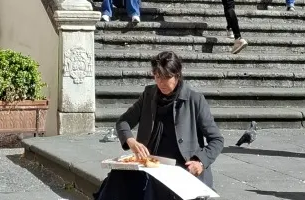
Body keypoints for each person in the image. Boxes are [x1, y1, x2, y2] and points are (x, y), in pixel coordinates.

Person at [96, 50, 224, 199]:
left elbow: (217, 140)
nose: (161, 83)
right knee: (116, 182)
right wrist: (131, 141)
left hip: (182, 168)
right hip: (151, 164)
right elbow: (123, 122)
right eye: (157, 77)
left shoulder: (195, 100)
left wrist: (200, 163)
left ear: (177, 75)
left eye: (166, 78)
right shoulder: (149, 94)